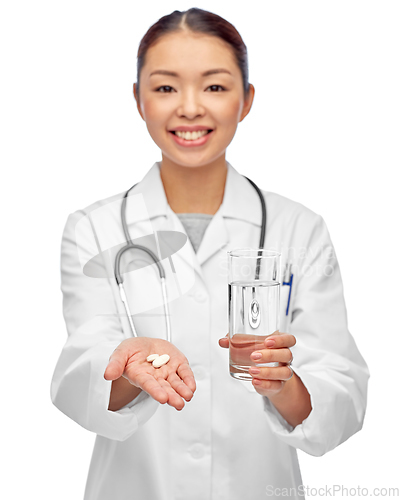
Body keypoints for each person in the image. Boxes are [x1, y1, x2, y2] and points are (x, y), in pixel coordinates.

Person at [50, 7, 369, 500]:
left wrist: (281, 383)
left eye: (215, 87)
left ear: (247, 100)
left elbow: (342, 391)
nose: (191, 107)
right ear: (138, 100)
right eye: (165, 87)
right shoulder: (92, 227)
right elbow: (81, 374)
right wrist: (125, 368)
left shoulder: (299, 229)